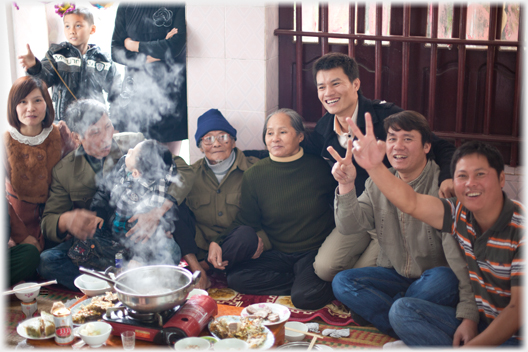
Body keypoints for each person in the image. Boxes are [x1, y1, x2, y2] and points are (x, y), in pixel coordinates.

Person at [344, 114, 522, 346]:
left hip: (516, 334)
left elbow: (517, 310)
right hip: (480, 318)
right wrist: (374, 167)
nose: (470, 184)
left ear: (501, 180)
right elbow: (411, 202)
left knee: (439, 282)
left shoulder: (519, 228)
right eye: (462, 176)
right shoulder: (456, 212)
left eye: (480, 175)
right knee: (400, 310)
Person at [305, 52, 458, 282]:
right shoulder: (324, 127)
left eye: (336, 83)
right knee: (325, 269)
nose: (328, 93)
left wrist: (448, 178)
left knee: (358, 276)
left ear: (355, 84)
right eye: (321, 87)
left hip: (392, 214)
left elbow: (441, 147)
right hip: (359, 210)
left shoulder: (385, 115)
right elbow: (303, 148)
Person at [330, 111, 478, 340]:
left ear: (427, 146)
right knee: (343, 282)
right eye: (392, 138)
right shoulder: (377, 182)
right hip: (397, 275)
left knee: (444, 277)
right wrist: (346, 184)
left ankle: (398, 314)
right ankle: (403, 321)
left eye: (407, 139)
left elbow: (463, 263)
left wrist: (470, 314)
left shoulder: (443, 186)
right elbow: (350, 226)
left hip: (437, 280)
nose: (398, 146)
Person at [38, 99, 194, 291]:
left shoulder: (135, 143)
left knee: (170, 250)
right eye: (95, 132)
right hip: (102, 242)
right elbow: (48, 221)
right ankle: (119, 285)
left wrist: (157, 212)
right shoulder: (64, 171)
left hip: (140, 239)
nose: (106, 138)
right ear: (77, 137)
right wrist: (67, 220)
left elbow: (183, 171)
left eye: (108, 126)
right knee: (47, 261)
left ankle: (118, 281)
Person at [216, 108, 336, 310]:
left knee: (304, 299)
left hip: (314, 253)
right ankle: (301, 282)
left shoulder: (320, 168)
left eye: (283, 132)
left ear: (299, 136)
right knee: (236, 279)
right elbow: (247, 221)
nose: (275, 139)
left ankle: (306, 284)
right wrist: (218, 243)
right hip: (278, 253)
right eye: (270, 133)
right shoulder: (255, 175)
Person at [71, 140, 195, 271]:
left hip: (140, 240)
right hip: (113, 234)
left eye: (132, 153)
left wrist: (140, 256)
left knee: (171, 251)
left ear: (136, 173)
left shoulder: (160, 181)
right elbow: (104, 191)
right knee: (77, 244)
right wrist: (99, 213)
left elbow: (169, 217)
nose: (128, 151)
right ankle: (121, 270)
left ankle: (128, 267)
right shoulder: (122, 165)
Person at [186, 109, 269, 289]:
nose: (216, 144)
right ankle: (208, 265)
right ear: (200, 147)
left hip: (243, 247)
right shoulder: (190, 176)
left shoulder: (256, 169)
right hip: (205, 249)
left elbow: (272, 215)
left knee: (246, 235)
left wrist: (260, 240)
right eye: (207, 139)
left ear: (233, 141)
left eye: (223, 137)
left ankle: (205, 269)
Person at [4, 76, 75, 254]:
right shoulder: (5, 143)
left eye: (37, 100)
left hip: (59, 223)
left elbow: (76, 180)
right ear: (14, 107)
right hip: (20, 228)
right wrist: (21, 236)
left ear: (47, 103)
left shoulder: (60, 134)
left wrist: (70, 220)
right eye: (22, 101)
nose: (30, 108)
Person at [18, 7, 121, 122]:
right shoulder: (56, 54)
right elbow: (42, 82)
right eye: (67, 26)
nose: (72, 30)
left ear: (92, 29)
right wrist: (34, 67)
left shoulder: (103, 59)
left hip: (95, 123)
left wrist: (114, 122)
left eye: (78, 25)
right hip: (64, 122)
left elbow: (117, 93)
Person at [111, 3, 187, 155]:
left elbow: (174, 47)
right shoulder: (126, 6)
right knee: (133, 161)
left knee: (166, 164)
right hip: (134, 93)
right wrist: (156, 54)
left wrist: (133, 45)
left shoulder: (178, 5)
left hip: (169, 93)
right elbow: (115, 50)